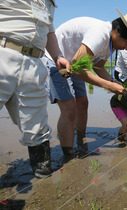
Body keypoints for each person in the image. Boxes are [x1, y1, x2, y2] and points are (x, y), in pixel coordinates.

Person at [42, 8, 127, 160]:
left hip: (75, 63)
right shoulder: (99, 34)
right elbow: (78, 67)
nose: (126, 48)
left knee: (83, 102)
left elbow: (98, 66)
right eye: (126, 43)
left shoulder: (112, 44)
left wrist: (113, 82)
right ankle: (69, 156)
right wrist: (108, 86)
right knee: (69, 107)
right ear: (117, 30)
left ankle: (80, 143)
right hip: (57, 60)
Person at [0, 0, 71, 179]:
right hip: (3, 51)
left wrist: (58, 55)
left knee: (37, 125)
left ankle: (43, 176)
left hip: (34, 62)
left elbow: (49, 31)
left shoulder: (49, 2)